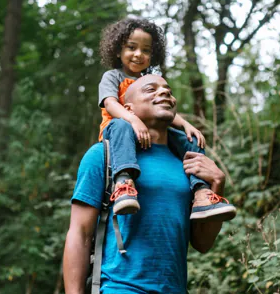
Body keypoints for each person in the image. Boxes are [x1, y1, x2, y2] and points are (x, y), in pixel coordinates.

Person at [64, 74, 233, 294]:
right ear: (128, 108)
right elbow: (79, 233)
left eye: (168, 89)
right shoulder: (103, 155)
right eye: (151, 89)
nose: (164, 92)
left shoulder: (188, 165)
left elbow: (202, 243)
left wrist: (216, 186)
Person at [98, 17, 236, 221]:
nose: (138, 54)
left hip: (150, 134)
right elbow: (110, 103)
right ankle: (124, 183)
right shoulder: (113, 76)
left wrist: (186, 125)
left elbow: (163, 110)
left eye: (146, 50)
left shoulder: (150, 80)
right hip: (120, 133)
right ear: (118, 51)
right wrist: (133, 119)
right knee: (120, 124)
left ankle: (201, 193)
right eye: (132, 48)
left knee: (190, 140)